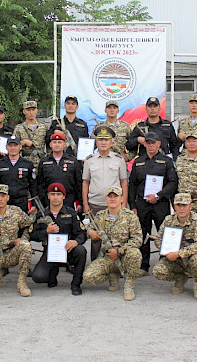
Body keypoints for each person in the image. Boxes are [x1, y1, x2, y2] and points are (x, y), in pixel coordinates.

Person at [128, 131, 178, 275]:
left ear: (159, 144)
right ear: (145, 144)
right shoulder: (138, 162)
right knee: (143, 233)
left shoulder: (166, 161)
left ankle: (164, 264)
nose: (151, 146)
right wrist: (132, 206)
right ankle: (143, 265)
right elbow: (132, 185)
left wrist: (158, 196)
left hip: (160, 203)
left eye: (153, 143)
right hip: (142, 204)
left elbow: (172, 183)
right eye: (148, 143)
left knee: (164, 233)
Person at [83, 186, 143, 301]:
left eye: (116, 196)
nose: (112, 199)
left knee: (135, 254)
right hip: (108, 257)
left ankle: (129, 286)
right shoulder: (100, 216)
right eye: (110, 196)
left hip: (124, 256)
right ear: (105, 199)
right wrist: (90, 232)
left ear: (122, 199)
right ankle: (112, 274)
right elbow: (88, 229)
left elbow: (137, 239)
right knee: (88, 276)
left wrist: (119, 252)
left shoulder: (130, 216)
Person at [29, 183, 87, 295]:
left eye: (59, 194)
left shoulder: (71, 213)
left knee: (81, 251)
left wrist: (75, 242)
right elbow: (32, 234)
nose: (55, 197)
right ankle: (52, 275)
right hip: (50, 253)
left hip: (68, 250)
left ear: (63, 196)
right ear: (48, 196)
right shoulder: (41, 215)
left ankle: (76, 284)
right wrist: (46, 232)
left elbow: (82, 233)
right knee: (38, 277)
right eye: (53, 194)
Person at [82, 126, 129, 260]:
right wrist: (85, 204)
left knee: (116, 236)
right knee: (96, 236)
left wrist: (124, 203)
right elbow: (85, 182)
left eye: (106, 140)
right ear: (96, 142)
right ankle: (96, 264)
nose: (103, 142)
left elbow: (124, 182)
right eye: (100, 140)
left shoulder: (119, 160)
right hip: (95, 204)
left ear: (112, 142)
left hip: (114, 205)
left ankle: (115, 264)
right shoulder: (89, 160)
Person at [152, 193, 197, 302]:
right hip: (174, 258)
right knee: (158, 271)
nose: (181, 208)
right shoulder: (169, 220)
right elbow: (158, 238)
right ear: (174, 207)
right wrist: (166, 250)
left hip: (191, 256)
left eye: (184, 205)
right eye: (178, 205)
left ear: (190, 206)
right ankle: (180, 277)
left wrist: (179, 253)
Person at [36, 131, 82, 210]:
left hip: (69, 200)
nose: (57, 145)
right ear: (50, 145)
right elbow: (39, 184)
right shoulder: (44, 162)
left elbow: (79, 183)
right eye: (54, 142)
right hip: (49, 201)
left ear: (64, 144)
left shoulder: (73, 161)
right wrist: (41, 202)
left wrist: (80, 203)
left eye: (59, 142)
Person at [0, 136, 35, 212]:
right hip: (4, 202)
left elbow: (33, 186)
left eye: (15, 145)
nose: (13, 148)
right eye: (10, 145)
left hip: (21, 202)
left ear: (20, 147)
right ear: (6, 147)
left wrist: (34, 204)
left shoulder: (27, 164)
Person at [13, 100, 48, 171]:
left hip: (40, 162)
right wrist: (23, 142)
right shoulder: (19, 128)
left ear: (37, 110)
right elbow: (13, 146)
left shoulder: (43, 127)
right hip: (25, 163)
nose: (31, 112)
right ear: (24, 111)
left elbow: (49, 146)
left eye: (33, 109)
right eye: (28, 110)